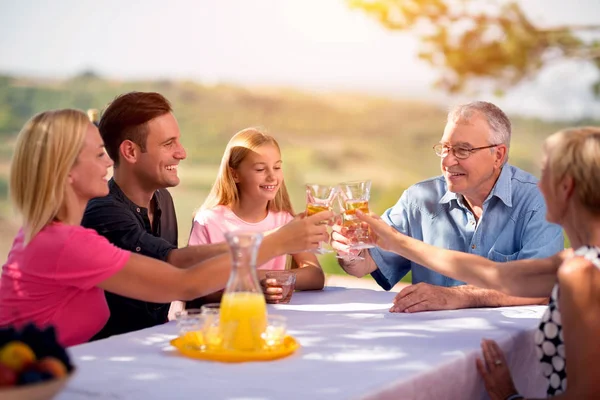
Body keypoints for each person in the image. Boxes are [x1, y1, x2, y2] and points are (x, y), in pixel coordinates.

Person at [0, 109, 331, 347]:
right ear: (67, 171)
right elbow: (185, 284)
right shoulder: (65, 244)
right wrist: (274, 244)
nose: (108, 162)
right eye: (100, 154)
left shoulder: (58, 235)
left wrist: (270, 238)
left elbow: (177, 259)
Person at [353, 126, 600, 399]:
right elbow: (495, 274)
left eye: (546, 175)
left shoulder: (584, 273)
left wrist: (510, 397)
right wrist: (396, 242)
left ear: (566, 188)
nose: (538, 185)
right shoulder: (575, 261)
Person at [332, 101, 564, 312]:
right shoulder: (419, 199)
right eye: (445, 148)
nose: (447, 161)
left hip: (508, 345)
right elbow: (364, 265)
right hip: (433, 341)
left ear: (498, 155)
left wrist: (457, 296)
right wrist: (350, 253)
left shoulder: (538, 200)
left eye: (463, 150)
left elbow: (540, 286)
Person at [188, 128, 325, 304]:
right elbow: (195, 289)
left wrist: (266, 278)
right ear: (234, 174)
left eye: (277, 167)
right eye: (260, 169)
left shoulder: (283, 219)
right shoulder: (209, 221)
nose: (272, 176)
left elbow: (315, 275)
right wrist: (250, 286)